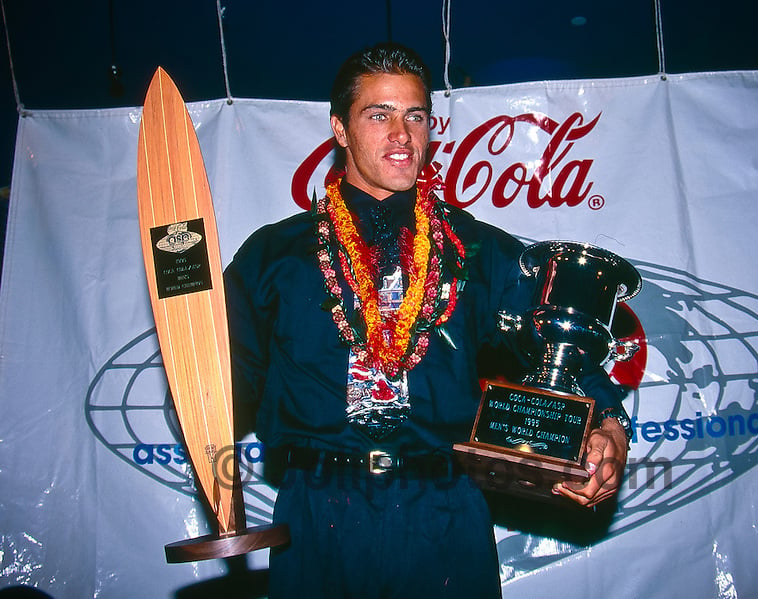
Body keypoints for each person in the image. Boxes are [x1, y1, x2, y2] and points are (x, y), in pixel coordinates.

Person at [224, 42, 631, 598]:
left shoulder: (478, 250)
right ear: (339, 130)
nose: (401, 134)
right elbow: (223, 388)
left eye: (415, 115)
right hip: (318, 511)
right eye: (378, 114)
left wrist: (608, 425)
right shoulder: (273, 256)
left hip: (444, 508)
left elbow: (560, 344)